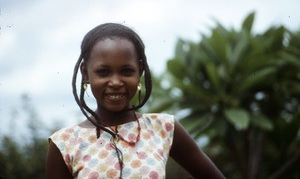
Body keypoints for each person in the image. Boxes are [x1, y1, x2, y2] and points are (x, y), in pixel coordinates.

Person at [45, 23, 225, 179]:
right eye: (103, 72)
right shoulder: (65, 143)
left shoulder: (163, 128)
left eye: (126, 71)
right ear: (85, 73)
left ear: (140, 71)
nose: (115, 82)